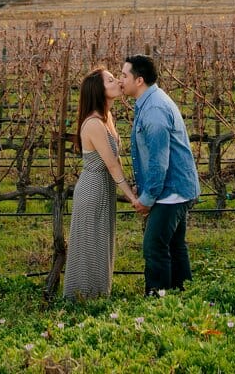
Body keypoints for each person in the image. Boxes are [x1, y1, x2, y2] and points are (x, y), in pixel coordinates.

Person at [120, 54, 201, 294]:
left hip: (171, 190)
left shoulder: (154, 110)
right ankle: (184, 298)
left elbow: (158, 163)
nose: (120, 79)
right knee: (175, 246)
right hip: (174, 187)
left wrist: (146, 199)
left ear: (139, 80)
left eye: (124, 75)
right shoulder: (149, 101)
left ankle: (158, 301)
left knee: (154, 246)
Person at [63, 67, 139, 300]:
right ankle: (82, 297)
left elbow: (116, 161)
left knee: (101, 241)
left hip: (103, 187)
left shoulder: (107, 118)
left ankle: (97, 296)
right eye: (110, 80)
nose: (117, 81)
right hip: (93, 188)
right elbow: (112, 164)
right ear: (99, 90)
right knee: (89, 243)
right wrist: (131, 196)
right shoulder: (94, 123)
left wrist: (130, 187)